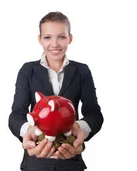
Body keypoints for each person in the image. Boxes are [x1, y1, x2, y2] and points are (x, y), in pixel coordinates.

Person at [8, 11, 104, 171]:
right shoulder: (28, 70)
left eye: (61, 37)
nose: (55, 44)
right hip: (35, 162)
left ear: (70, 38)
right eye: (47, 37)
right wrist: (30, 131)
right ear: (39, 39)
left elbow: (94, 113)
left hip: (71, 159)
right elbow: (16, 115)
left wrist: (79, 129)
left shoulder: (82, 70)